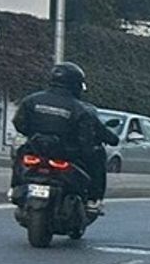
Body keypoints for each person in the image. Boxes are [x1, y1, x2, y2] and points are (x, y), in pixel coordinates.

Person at [12, 62, 116, 211]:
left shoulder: (31, 100)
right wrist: (86, 148)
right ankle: (93, 198)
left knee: (20, 154)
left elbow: (19, 124)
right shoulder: (80, 109)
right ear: (76, 84)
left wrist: (35, 134)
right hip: (66, 153)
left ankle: (14, 187)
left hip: (36, 148)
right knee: (97, 156)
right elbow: (85, 138)